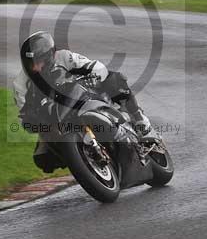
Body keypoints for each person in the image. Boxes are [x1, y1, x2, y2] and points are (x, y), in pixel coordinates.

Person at [13, 31, 154, 170]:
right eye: (30, 64)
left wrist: (94, 76)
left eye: (39, 62)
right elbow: (24, 115)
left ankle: (139, 117)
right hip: (55, 119)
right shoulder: (20, 84)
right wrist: (32, 121)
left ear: (50, 55)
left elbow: (96, 67)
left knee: (115, 79)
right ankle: (83, 160)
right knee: (42, 158)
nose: (35, 68)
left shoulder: (65, 57)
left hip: (83, 96)